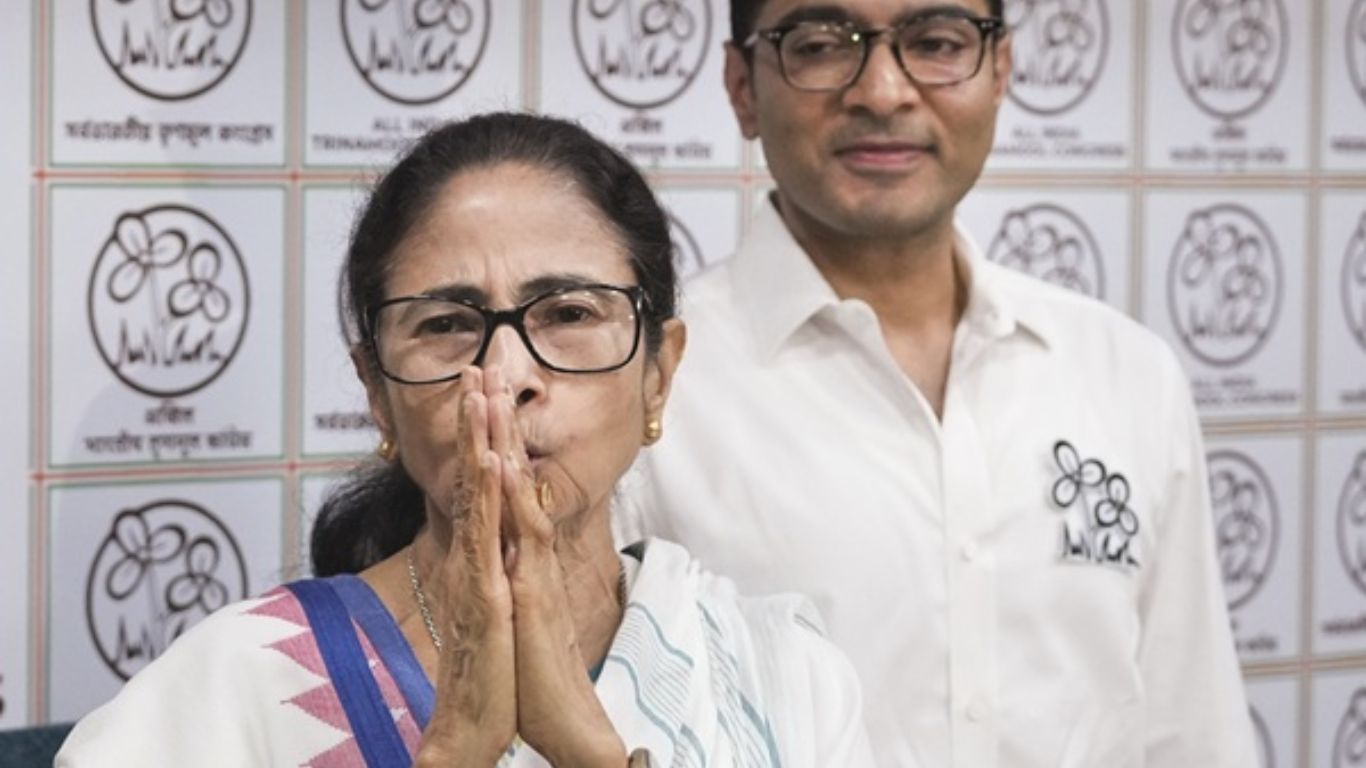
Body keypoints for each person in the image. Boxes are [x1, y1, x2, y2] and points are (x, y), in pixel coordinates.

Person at [56, 113, 872, 767]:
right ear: (378, 394)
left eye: (570, 313)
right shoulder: (236, 686)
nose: (505, 374)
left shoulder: (781, 675)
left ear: (658, 373)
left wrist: (588, 751)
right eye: (447, 325)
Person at [618, 1, 1258, 766]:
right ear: (741, 87)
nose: (883, 92)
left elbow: (1193, 732)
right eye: (821, 45)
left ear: (1000, 70)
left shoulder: (1125, 374)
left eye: (936, 42)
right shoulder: (642, 393)